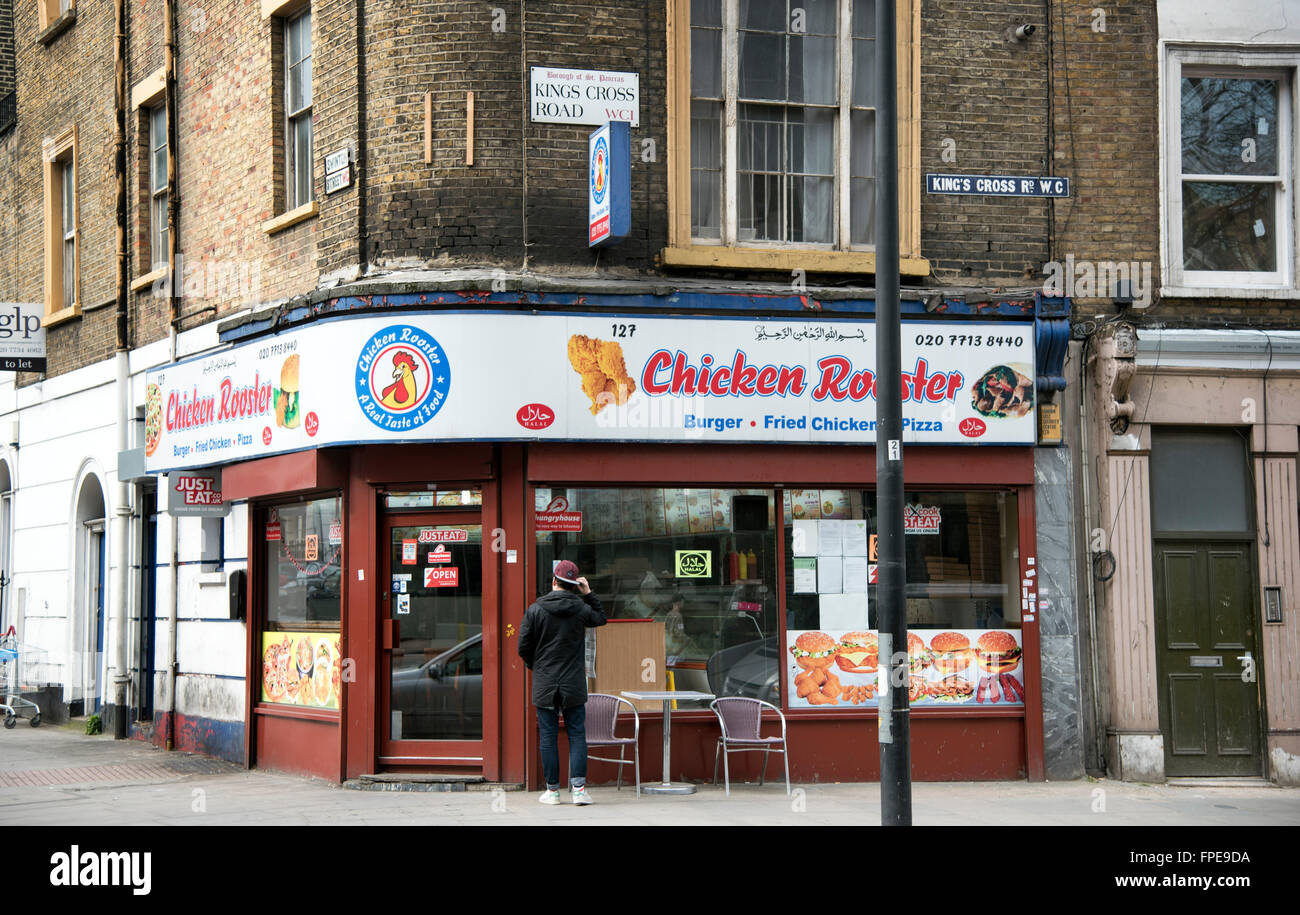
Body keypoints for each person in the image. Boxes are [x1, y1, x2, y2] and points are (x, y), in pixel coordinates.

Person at [517, 559, 607, 805]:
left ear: (554, 581)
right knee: (577, 735)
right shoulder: (581, 609)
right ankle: (579, 790)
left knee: (548, 736)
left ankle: (553, 792)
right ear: (573, 585)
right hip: (573, 682)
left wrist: (534, 666)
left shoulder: (535, 609)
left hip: (545, 681)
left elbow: (523, 646)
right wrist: (588, 594)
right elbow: (601, 618)